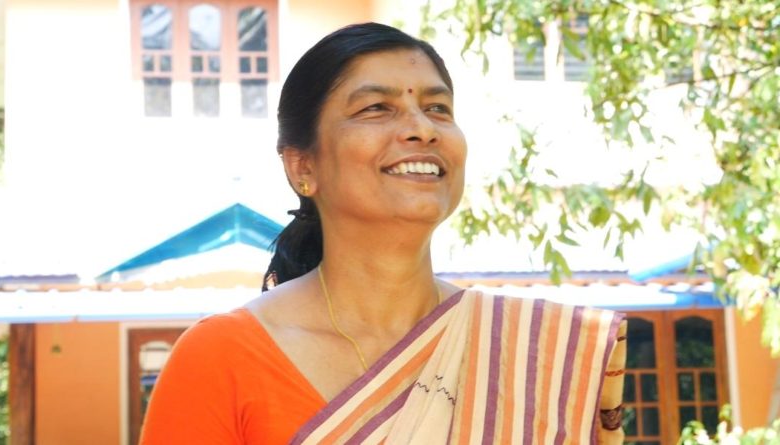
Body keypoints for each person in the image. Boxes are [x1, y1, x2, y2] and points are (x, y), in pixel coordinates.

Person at [139, 22, 627, 444]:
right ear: (303, 166)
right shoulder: (221, 358)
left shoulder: (533, 353)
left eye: (438, 108)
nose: (422, 129)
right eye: (376, 108)